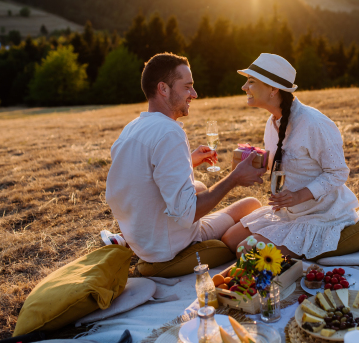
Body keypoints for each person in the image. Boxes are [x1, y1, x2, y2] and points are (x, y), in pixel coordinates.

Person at [104, 53, 266, 268]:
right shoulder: (169, 133)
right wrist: (234, 178)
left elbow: (139, 177)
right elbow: (186, 215)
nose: (194, 94)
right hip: (167, 248)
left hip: (141, 236)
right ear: (163, 89)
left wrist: (189, 161)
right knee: (251, 204)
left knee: (198, 185)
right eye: (187, 87)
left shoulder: (133, 127)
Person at [222, 53, 359, 259]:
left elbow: (338, 173)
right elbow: (278, 164)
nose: (244, 87)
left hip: (320, 215)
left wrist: (297, 196)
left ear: (273, 89)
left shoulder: (314, 123)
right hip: (287, 212)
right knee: (229, 240)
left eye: (251, 82)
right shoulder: (272, 122)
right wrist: (247, 165)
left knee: (245, 250)